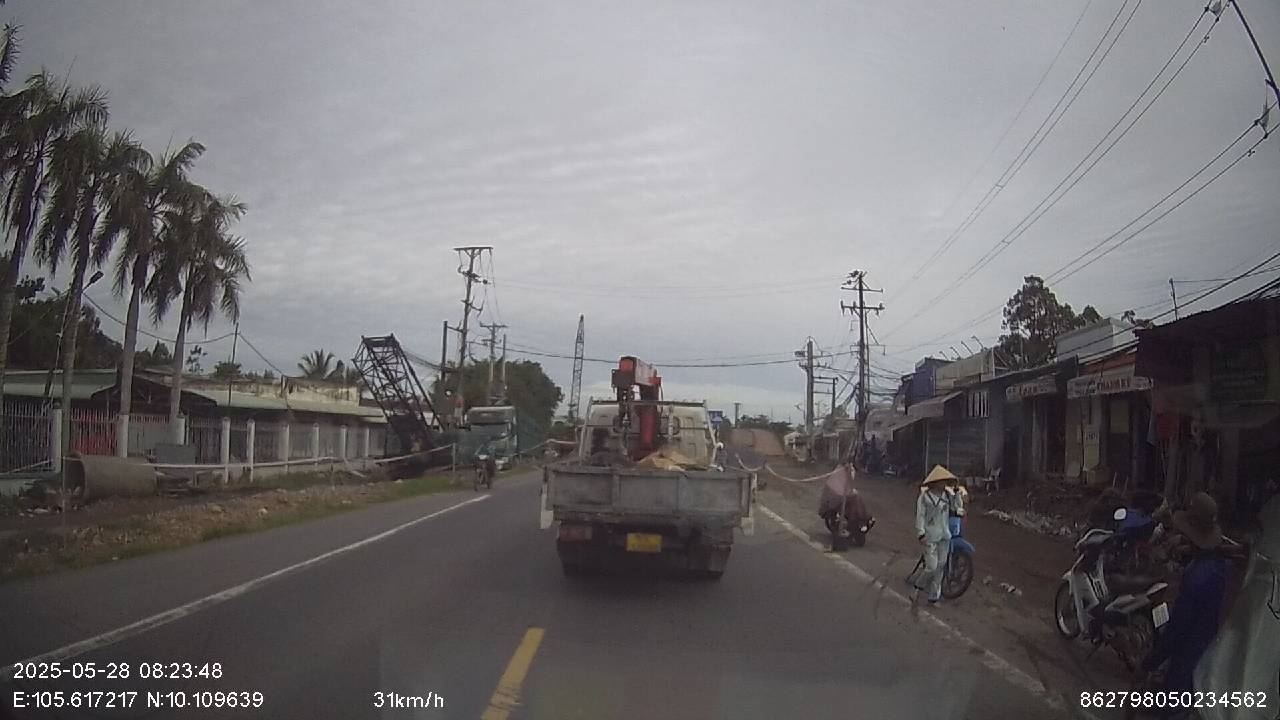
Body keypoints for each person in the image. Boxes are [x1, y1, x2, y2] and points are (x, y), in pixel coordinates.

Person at [1141, 492, 1230, 701]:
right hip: (1208, 647)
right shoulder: (1219, 565)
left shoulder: (1197, 578)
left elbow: (1176, 632)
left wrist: (1151, 661)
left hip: (1188, 656)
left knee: (1171, 703)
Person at [914, 465, 957, 605]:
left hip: (945, 535)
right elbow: (920, 515)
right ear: (935, 482)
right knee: (931, 567)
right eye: (941, 481)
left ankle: (933, 596)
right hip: (930, 535)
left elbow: (957, 508)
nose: (944, 484)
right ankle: (918, 588)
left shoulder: (947, 495)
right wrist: (920, 532)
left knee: (940, 566)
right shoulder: (925, 497)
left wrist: (957, 494)